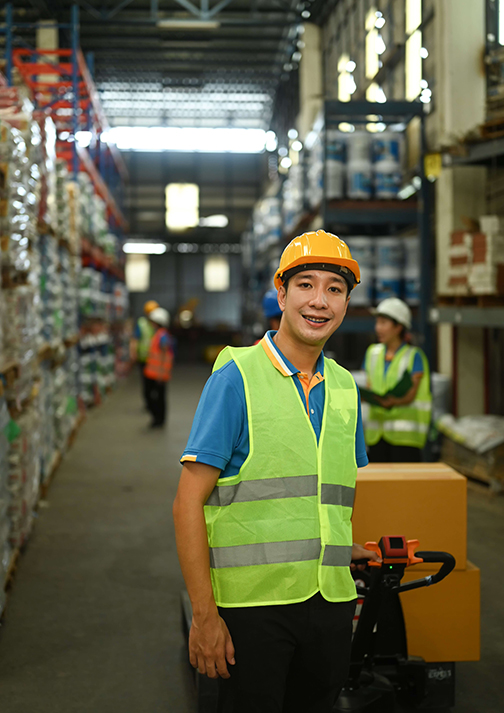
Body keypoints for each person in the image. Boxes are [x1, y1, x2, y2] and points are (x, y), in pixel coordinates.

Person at [173, 230, 381, 713]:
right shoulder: (237, 377)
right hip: (253, 611)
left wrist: (342, 544)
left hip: (330, 604)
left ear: (347, 302)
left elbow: (323, 493)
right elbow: (187, 502)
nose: (319, 301)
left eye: (334, 289)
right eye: (306, 284)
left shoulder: (346, 388)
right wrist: (204, 616)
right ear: (281, 294)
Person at [363, 297, 432, 463]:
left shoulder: (414, 356)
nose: (378, 328)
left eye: (383, 323)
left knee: (405, 487)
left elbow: (411, 393)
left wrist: (394, 401)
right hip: (376, 436)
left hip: (405, 438)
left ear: (398, 327)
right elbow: (369, 384)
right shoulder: (372, 352)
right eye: (377, 322)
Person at [143, 307, 173, 429]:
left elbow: (165, 355)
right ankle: (158, 419)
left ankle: (159, 420)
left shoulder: (163, 336)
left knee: (158, 398)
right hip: (152, 372)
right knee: (154, 396)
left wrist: (161, 372)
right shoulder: (158, 334)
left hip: (158, 374)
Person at [130, 300, 159, 409]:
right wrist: (133, 353)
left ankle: (154, 403)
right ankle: (148, 404)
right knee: (146, 384)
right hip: (144, 359)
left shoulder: (158, 324)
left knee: (155, 384)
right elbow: (135, 339)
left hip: (155, 359)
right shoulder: (141, 323)